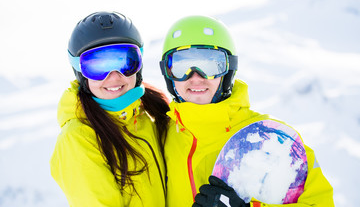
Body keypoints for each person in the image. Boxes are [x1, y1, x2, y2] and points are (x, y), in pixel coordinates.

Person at [159, 15, 334, 207]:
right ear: (168, 74)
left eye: (210, 64)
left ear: (228, 70)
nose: (195, 77)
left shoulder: (274, 139)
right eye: (180, 66)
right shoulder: (161, 136)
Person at [50, 11, 169, 207]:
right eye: (98, 66)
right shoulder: (79, 138)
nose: (114, 77)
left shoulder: (150, 117)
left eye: (125, 62)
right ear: (80, 73)